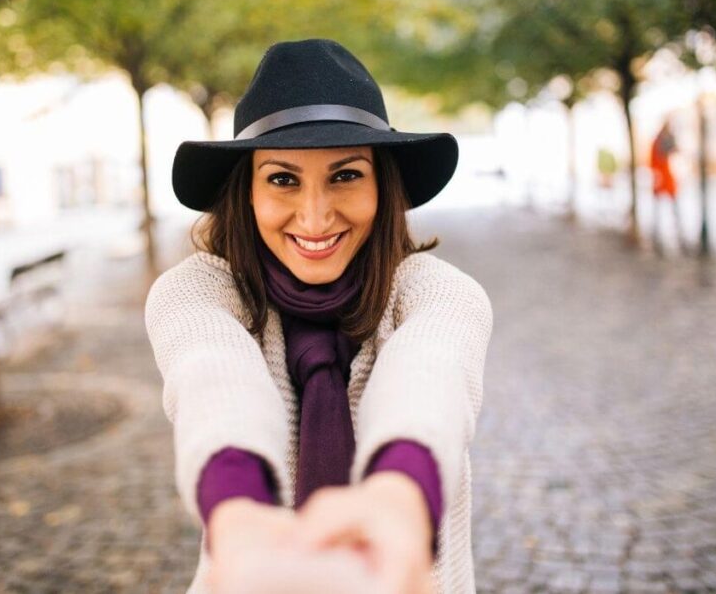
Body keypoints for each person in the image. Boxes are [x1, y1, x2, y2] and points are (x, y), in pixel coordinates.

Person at [144, 39, 493, 594]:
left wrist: (398, 495)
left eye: (345, 175)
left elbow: (431, 378)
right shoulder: (197, 293)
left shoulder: (439, 292)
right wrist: (237, 513)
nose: (315, 215)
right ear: (247, 193)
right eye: (283, 179)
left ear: (382, 184)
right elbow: (211, 377)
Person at [649, 120, 687, 255]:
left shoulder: (662, 140)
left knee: (670, 209)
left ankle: (675, 235)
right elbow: (654, 161)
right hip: (662, 178)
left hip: (666, 178)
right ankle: (658, 237)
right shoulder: (658, 141)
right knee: (662, 210)